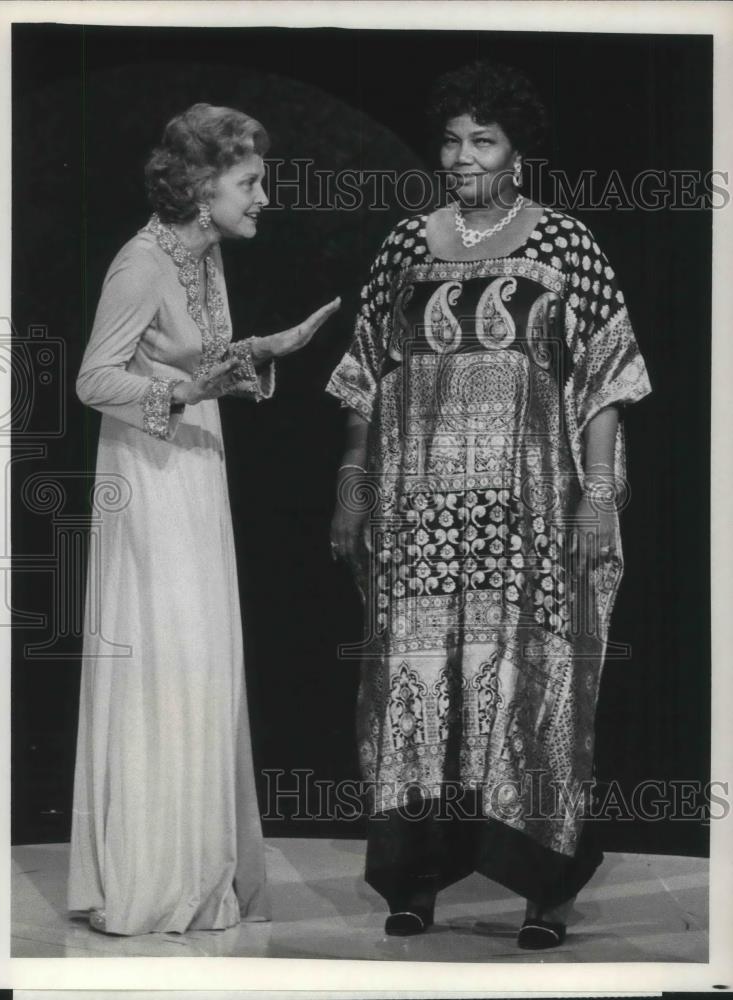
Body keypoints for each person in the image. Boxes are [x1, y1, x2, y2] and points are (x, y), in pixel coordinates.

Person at [327, 60, 651, 949]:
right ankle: (414, 881)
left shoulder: (562, 244)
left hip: (526, 516)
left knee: (526, 685)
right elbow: (364, 377)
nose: (462, 155)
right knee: (418, 687)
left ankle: (541, 892)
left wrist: (595, 498)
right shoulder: (405, 244)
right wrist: (353, 484)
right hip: (421, 514)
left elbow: (605, 380)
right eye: (451, 139)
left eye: (483, 140)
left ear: (517, 153)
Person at [68, 103, 340, 936]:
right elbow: (92, 380)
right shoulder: (141, 262)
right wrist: (188, 390)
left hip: (194, 464)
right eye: (249, 181)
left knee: (202, 658)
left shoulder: (206, 253)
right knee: (167, 654)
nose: (263, 196)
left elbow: (205, 360)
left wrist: (266, 350)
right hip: (150, 476)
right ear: (198, 186)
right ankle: (154, 875)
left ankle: (198, 867)